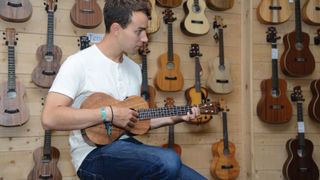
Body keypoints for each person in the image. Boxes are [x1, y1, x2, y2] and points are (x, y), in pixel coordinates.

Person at [41, 0, 207, 179]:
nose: (145, 38)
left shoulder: (134, 69)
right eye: (139, 31)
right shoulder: (79, 63)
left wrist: (176, 117)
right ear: (116, 29)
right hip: (91, 156)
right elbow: (49, 118)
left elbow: (135, 123)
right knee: (169, 161)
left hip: (127, 148)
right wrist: (109, 114)